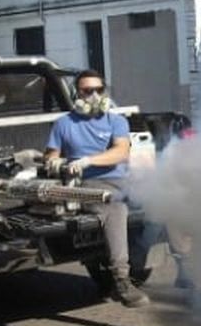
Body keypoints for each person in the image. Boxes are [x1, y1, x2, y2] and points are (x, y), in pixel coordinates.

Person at [45, 70, 150, 308]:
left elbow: (122, 152)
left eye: (98, 90)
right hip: (89, 185)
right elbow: (51, 155)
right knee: (115, 209)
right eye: (87, 90)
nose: (93, 95)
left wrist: (88, 160)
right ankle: (122, 280)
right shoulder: (64, 124)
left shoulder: (116, 121)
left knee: (171, 195)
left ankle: (185, 266)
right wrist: (56, 162)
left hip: (122, 179)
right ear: (77, 94)